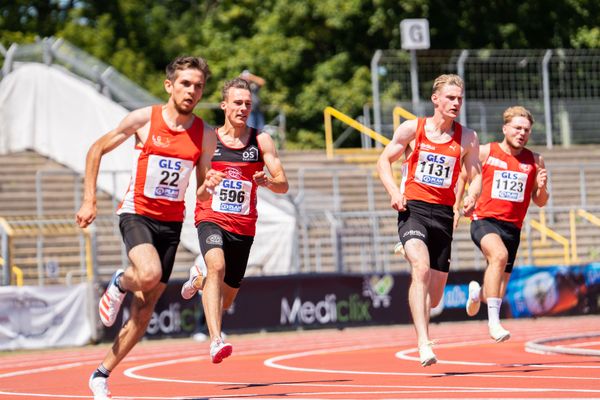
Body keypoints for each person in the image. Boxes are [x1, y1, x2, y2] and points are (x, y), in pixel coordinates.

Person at [76, 56, 222, 400]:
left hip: (171, 225)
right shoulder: (145, 119)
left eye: (198, 86)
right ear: (169, 85)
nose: (192, 91)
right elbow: (97, 149)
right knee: (149, 273)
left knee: (143, 314)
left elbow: (200, 191)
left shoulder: (205, 135)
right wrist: (89, 200)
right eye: (186, 83)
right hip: (137, 213)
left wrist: (209, 184)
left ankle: (101, 374)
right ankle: (118, 281)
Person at [180, 77, 288, 364]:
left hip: (243, 227)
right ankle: (216, 340)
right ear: (224, 105)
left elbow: (283, 184)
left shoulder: (261, 140)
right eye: (237, 103)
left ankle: (199, 280)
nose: (243, 108)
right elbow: (199, 189)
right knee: (217, 264)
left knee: (225, 300)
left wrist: (268, 182)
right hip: (211, 217)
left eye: (247, 104)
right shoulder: (208, 140)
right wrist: (209, 183)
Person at [377, 74, 481, 367]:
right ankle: (424, 342)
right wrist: (394, 192)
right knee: (420, 269)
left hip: (444, 216)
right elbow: (384, 161)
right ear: (436, 99)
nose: (456, 103)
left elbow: (475, 177)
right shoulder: (413, 128)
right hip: (414, 210)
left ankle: (410, 247)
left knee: (434, 299)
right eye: (450, 98)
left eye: (459, 98)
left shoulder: (468, 137)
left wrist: (471, 196)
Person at [462, 106, 548, 342]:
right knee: (498, 256)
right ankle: (494, 323)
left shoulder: (535, 160)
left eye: (526, 130)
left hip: (513, 228)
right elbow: (463, 175)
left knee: (497, 291)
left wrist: (541, 186)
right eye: (517, 128)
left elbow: (540, 202)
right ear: (505, 128)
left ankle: (477, 293)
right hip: (484, 219)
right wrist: (465, 199)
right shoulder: (486, 152)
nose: (522, 133)